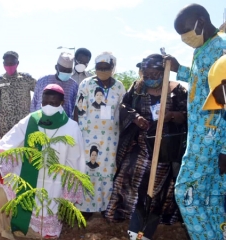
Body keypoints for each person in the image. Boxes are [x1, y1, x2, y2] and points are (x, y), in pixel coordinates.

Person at [105, 54, 187, 240]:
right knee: (126, 179)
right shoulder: (137, 87)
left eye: (155, 73)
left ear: (164, 72)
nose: (150, 77)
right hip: (139, 143)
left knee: (155, 189)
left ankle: (145, 228)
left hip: (164, 148)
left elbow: (187, 114)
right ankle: (126, 218)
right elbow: (124, 106)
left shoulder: (177, 90)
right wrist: (135, 117)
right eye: (147, 73)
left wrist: (172, 115)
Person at [0, 84, 85, 239]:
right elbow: (8, 145)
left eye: (53, 103)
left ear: (62, 102)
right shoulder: (31, 120)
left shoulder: (72, 128)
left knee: (45, 231)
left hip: (54, 186)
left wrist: (69, 197)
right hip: (26, 182)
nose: (48, 107)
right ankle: (10, 228)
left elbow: (75, 164)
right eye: (45, 102)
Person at [166, 4, 226, 240]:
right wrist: (178, 69)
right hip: (200, 138)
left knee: (186, 195)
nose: (184, 38)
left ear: (201, 21)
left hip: (212, 141)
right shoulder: (203, 48)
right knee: (211, 199)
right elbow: (199, 81)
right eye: (180, 35)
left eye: (186, 31)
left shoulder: (221, 51)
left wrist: (224, 149)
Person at [74, 52, 125, 217]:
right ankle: (86, 207)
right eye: (99, 68)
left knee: (108, 171)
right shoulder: (86, 84)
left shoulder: (119, 87)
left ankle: (104, 206)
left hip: (111, 138)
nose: (102, 71)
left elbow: (122, 111)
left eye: (106, 68)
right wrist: (77, 132)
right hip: (88, 135)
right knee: (88, 170)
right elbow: (78, 109)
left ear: (112, 68)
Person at [0, 51, 36, 142]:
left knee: (24, 152)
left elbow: (40, 92)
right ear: (3, 64)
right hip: (6, 126)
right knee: (7, 153)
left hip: (24, 124)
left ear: (17, 63)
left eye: (12, 63)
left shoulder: (26, 79)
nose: (9, 65)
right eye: (7, 63)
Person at [30, 52, 78, 118]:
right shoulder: (43, 81)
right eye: (63, 70)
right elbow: (34, 103)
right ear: (56, 67)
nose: (65, 72)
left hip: (64, 122)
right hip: (41, 120)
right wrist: (33, 119)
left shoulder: (73, 85)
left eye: (68, 71)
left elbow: (75, 107)